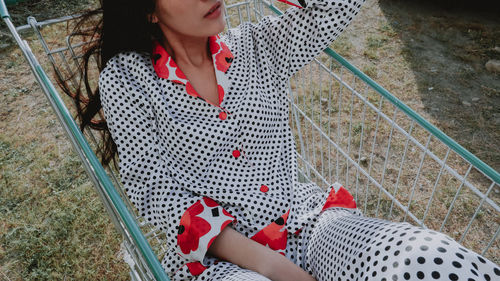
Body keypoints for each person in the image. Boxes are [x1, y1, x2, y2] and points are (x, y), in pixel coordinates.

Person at [63, 0, 499, 280]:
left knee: (427, 257)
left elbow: (337, 7)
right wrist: (273, 266)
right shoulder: (127, 79)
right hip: (219, 258)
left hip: (306, 221)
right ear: (148, 10)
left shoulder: (258, 44)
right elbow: (154, 189)